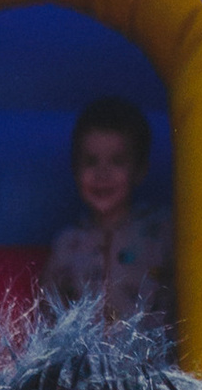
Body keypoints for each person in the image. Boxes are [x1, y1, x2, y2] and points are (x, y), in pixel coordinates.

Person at [42, 93, 173, 332]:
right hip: (86, 367)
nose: (103, 174)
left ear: (140, 170)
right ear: (75, 169)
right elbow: (48, 315)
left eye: (117, 161)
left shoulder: (161, 232)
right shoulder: (67, 244)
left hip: (148, 364)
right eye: (91, 162)